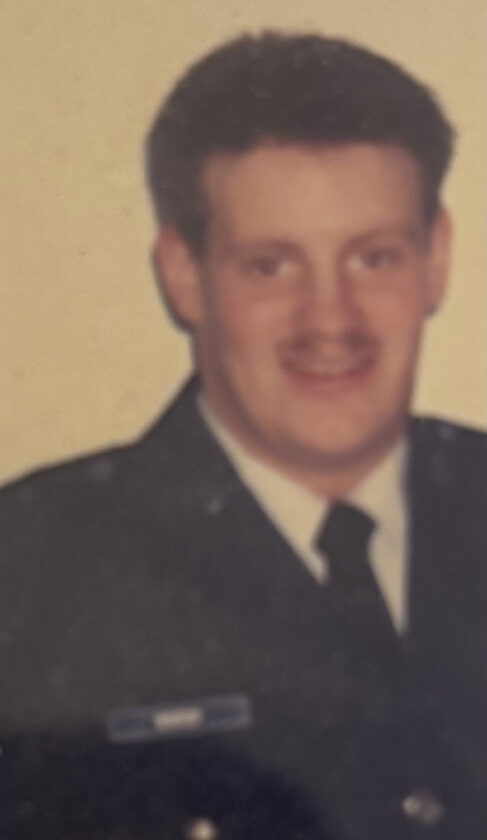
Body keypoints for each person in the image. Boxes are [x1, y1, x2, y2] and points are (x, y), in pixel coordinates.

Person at [0, 31, 485, 840]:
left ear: (434, 257)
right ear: (183, 274)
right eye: (269, 266)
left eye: (373, 258)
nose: (329, 318)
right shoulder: (30, 575)